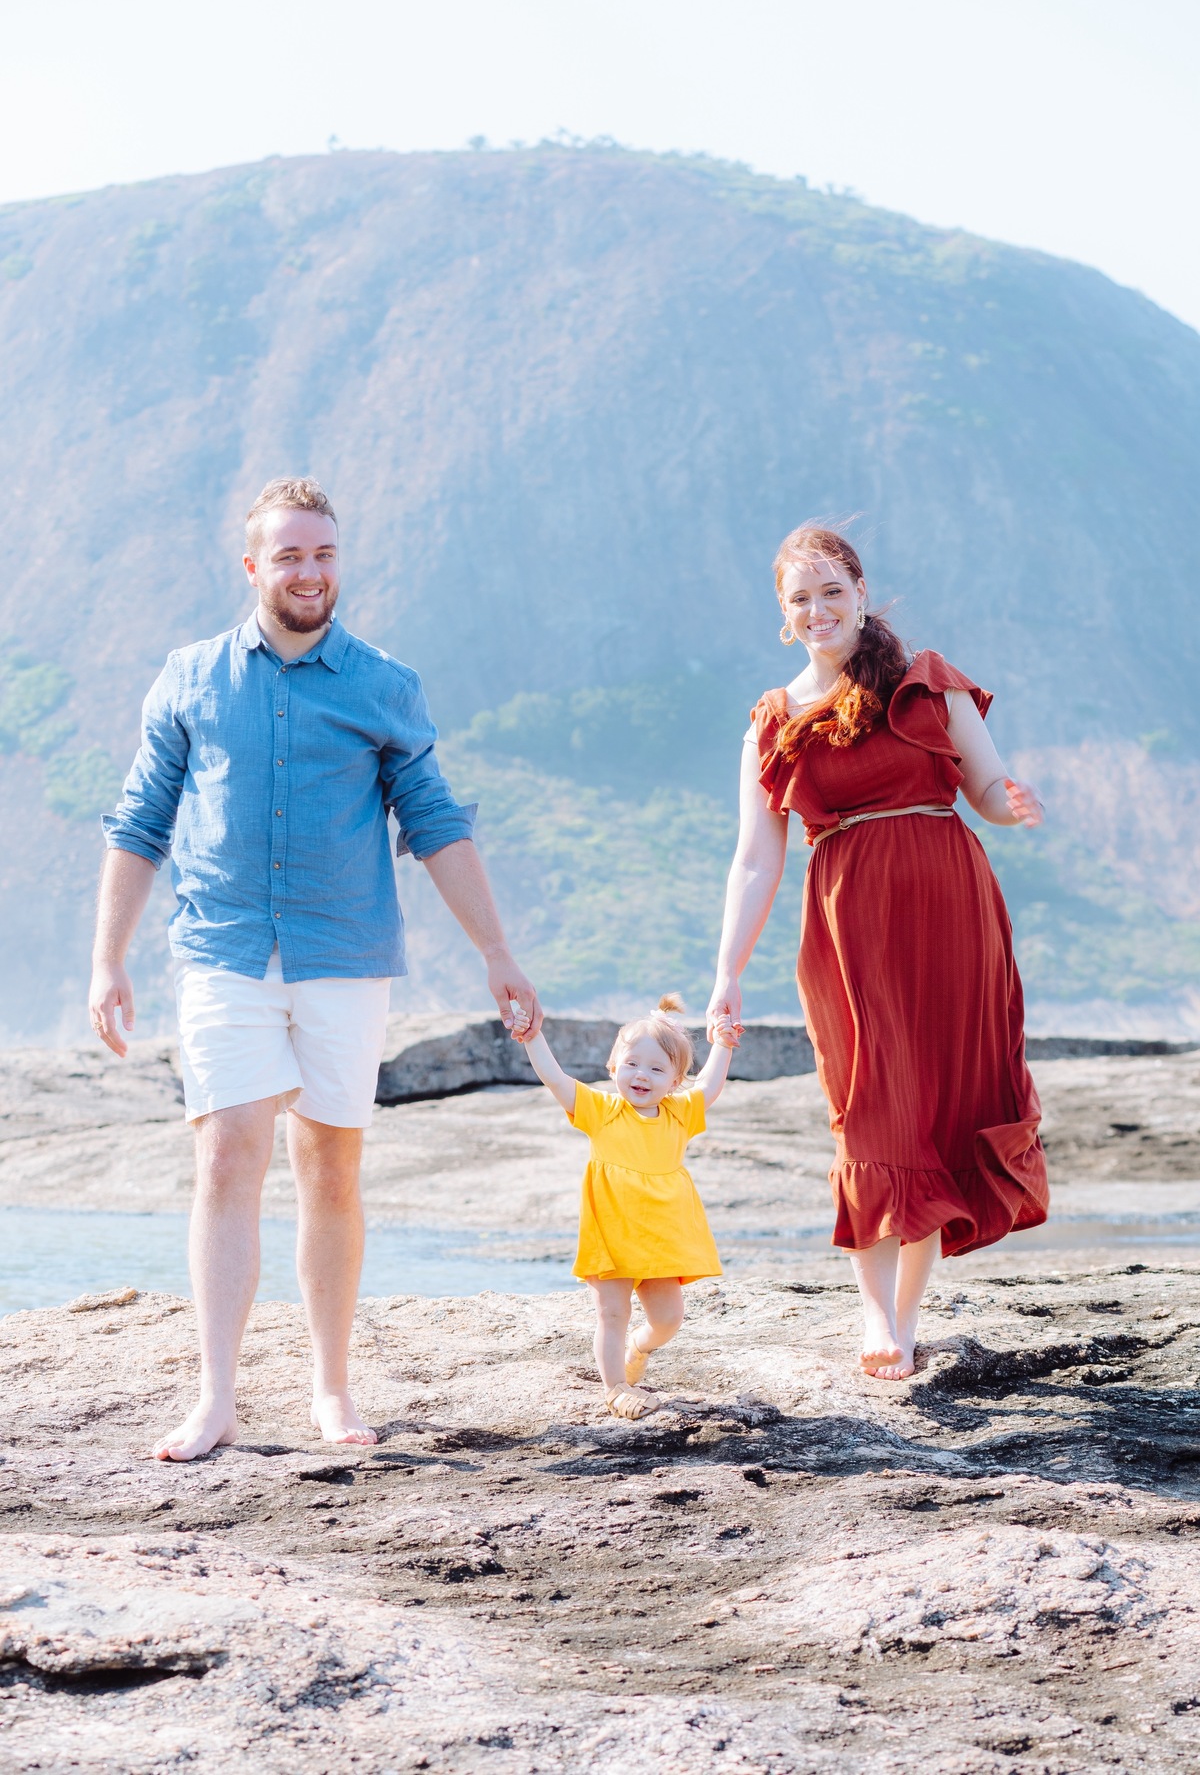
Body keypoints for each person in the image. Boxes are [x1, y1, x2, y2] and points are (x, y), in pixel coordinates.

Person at [89, 476, 541, 1460]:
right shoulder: (190, 678)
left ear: (341, 562)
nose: (308, 571)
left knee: (330, 1166)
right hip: (221, 950)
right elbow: (138, 822)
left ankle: (331, 1390)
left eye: (324, 553)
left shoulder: (384, 684)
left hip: (346, 957)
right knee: (226, 1156)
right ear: (252, 566)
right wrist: (107, 960)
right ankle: (215, 1399)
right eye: (288, 555)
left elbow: (435, 825)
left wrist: (497, 953)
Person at [706, 523, 1048, 1381]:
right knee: (869, 1112)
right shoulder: (775, 722)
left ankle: (903, 1315)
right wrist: (727, 972)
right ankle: (872, 1310)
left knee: (933, 1114)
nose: (818, 609)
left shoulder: (931, 686)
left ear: (861, 591)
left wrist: (1013, 803)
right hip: (847, 927)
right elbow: (754, 860)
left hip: (952, 917)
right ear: (783, 615)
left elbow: (985, 792)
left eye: (832, 591)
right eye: (800, 599)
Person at [512, 994, 736, 1418]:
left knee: (669, 1319)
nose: (641, 1075)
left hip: (662, 1234)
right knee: (612, 1312)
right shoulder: (602, 1111)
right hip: (612, 1232)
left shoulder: (679, 1113)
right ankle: (615, 1387)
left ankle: (640, 1346)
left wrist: (723, 1042)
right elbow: (555, 1078)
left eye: (656, 1069)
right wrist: (533, 1037)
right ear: (613, 1065)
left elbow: (709, 1085)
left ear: (674, 1081)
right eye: (632, 1063)